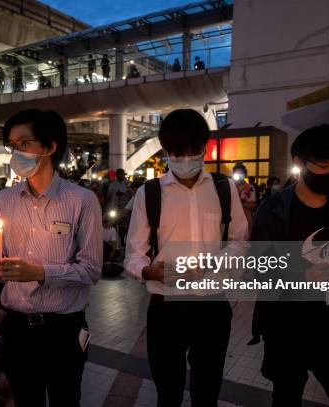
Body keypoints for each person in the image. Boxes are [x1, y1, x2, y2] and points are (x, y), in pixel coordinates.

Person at [125, 109, 249, 406]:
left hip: (213, 305)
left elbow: (240, 241)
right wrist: (151, 272)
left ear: (204, 148)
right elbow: (133, 254)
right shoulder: (150, 193)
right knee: (168, 391)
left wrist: (220, 260)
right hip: (166, 306)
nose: (185, 160)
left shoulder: (223, 188)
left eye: (193, 152)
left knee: (207, 391)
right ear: (165, 152)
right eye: (176, 154)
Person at [0, 109, 102, 407]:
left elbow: (91, 270)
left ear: (49, 146)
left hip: (64, 328)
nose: (16, 152)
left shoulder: (81, 201)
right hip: (17, 328)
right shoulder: (1, 201)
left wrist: (39, 271)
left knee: (65, 399)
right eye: (12, 145)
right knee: (26, 400)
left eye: (24, 143)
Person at [250, 124, 329, 407]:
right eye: (323, 165)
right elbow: (259, 268)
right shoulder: (272, 209)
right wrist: (303, 274)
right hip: (286, 326)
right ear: (299, 162)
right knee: (286, 396)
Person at [233, 162, 256, 233]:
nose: (239, 175)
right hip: (233, 219)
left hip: (247, 218)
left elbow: (252, 205)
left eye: (241, 173)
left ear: (245, 174)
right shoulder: (231, 187)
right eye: (237, 173)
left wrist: (238, 203)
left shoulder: (250, 188)